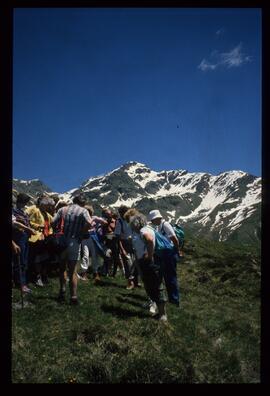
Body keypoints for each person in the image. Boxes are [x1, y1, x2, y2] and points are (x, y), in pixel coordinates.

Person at [52, 194, 92, 305]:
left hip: (61, 241)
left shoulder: (62, 209)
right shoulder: (83, 211)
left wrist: (57, 231)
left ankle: (62, 291)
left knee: (62, 268)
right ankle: (73, 297)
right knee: (73, 270)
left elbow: (53, 222)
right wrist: (81, 232)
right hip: (74, 241)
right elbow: (89, 223)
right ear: (82, 203)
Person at [129, 213, 168, 322]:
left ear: (136, 224)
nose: (131, 227)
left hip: (149, 262)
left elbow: (150, 240)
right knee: (154, 285)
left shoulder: (143, 231)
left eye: (132, 225)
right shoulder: (147, 229)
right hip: (147, 262)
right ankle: (160, 312)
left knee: (157, 286)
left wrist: (149, 255)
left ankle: (162, 314)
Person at [148, 210, 180, 307]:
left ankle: (174, 300)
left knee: (170, 278)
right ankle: (168, 298)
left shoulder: (165, 225)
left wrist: (176, 250)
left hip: (169, 254)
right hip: (164, 254)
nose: (152, 222)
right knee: (164, 277)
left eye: (153, 220)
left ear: (156, 218)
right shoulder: (158, 226)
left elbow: (174, 239)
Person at [25, 197, 54, 286]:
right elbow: (29, 221)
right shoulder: (35, 210)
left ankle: (42, 276)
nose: (48, 207)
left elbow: (51, 223)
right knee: (37, 258)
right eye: (47, 206)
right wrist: (39, 226)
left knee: (44, 258)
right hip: (36, 238)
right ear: (43, 204)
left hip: (45, 238)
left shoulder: (46, 214)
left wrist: (50, 233)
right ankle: (36, 277)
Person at [12, 193, 36, 293]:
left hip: (25, 237)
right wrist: (27, 228)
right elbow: (14, 223)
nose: (25, 204)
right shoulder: (13, 211)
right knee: (20, 260)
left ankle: (22, 282)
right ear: (20, 201)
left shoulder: (23, 212)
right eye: (24, 202)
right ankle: (21, 283)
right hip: (18, 237)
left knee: (24, 261)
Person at [79, 205, 108, 283]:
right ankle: (84, 273)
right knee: (85, 255)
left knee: (95, 255)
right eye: (86, 211)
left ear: (91, 212)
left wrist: (98, 223)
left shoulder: (94, 218)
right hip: (85, 238)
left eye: (89, 211)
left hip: (94, 238)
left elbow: (105, 223)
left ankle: (95, 273)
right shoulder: (82, 219)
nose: (87, 213)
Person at [114, 205, 135, 289]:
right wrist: (122, 249)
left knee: (135, 262)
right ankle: (130, 282)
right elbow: (117, 237)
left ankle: (135, 281)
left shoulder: (132, 219)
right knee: (127, 263)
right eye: (121, 213)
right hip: (124, 243)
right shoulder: (119, 222)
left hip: (134, 242)